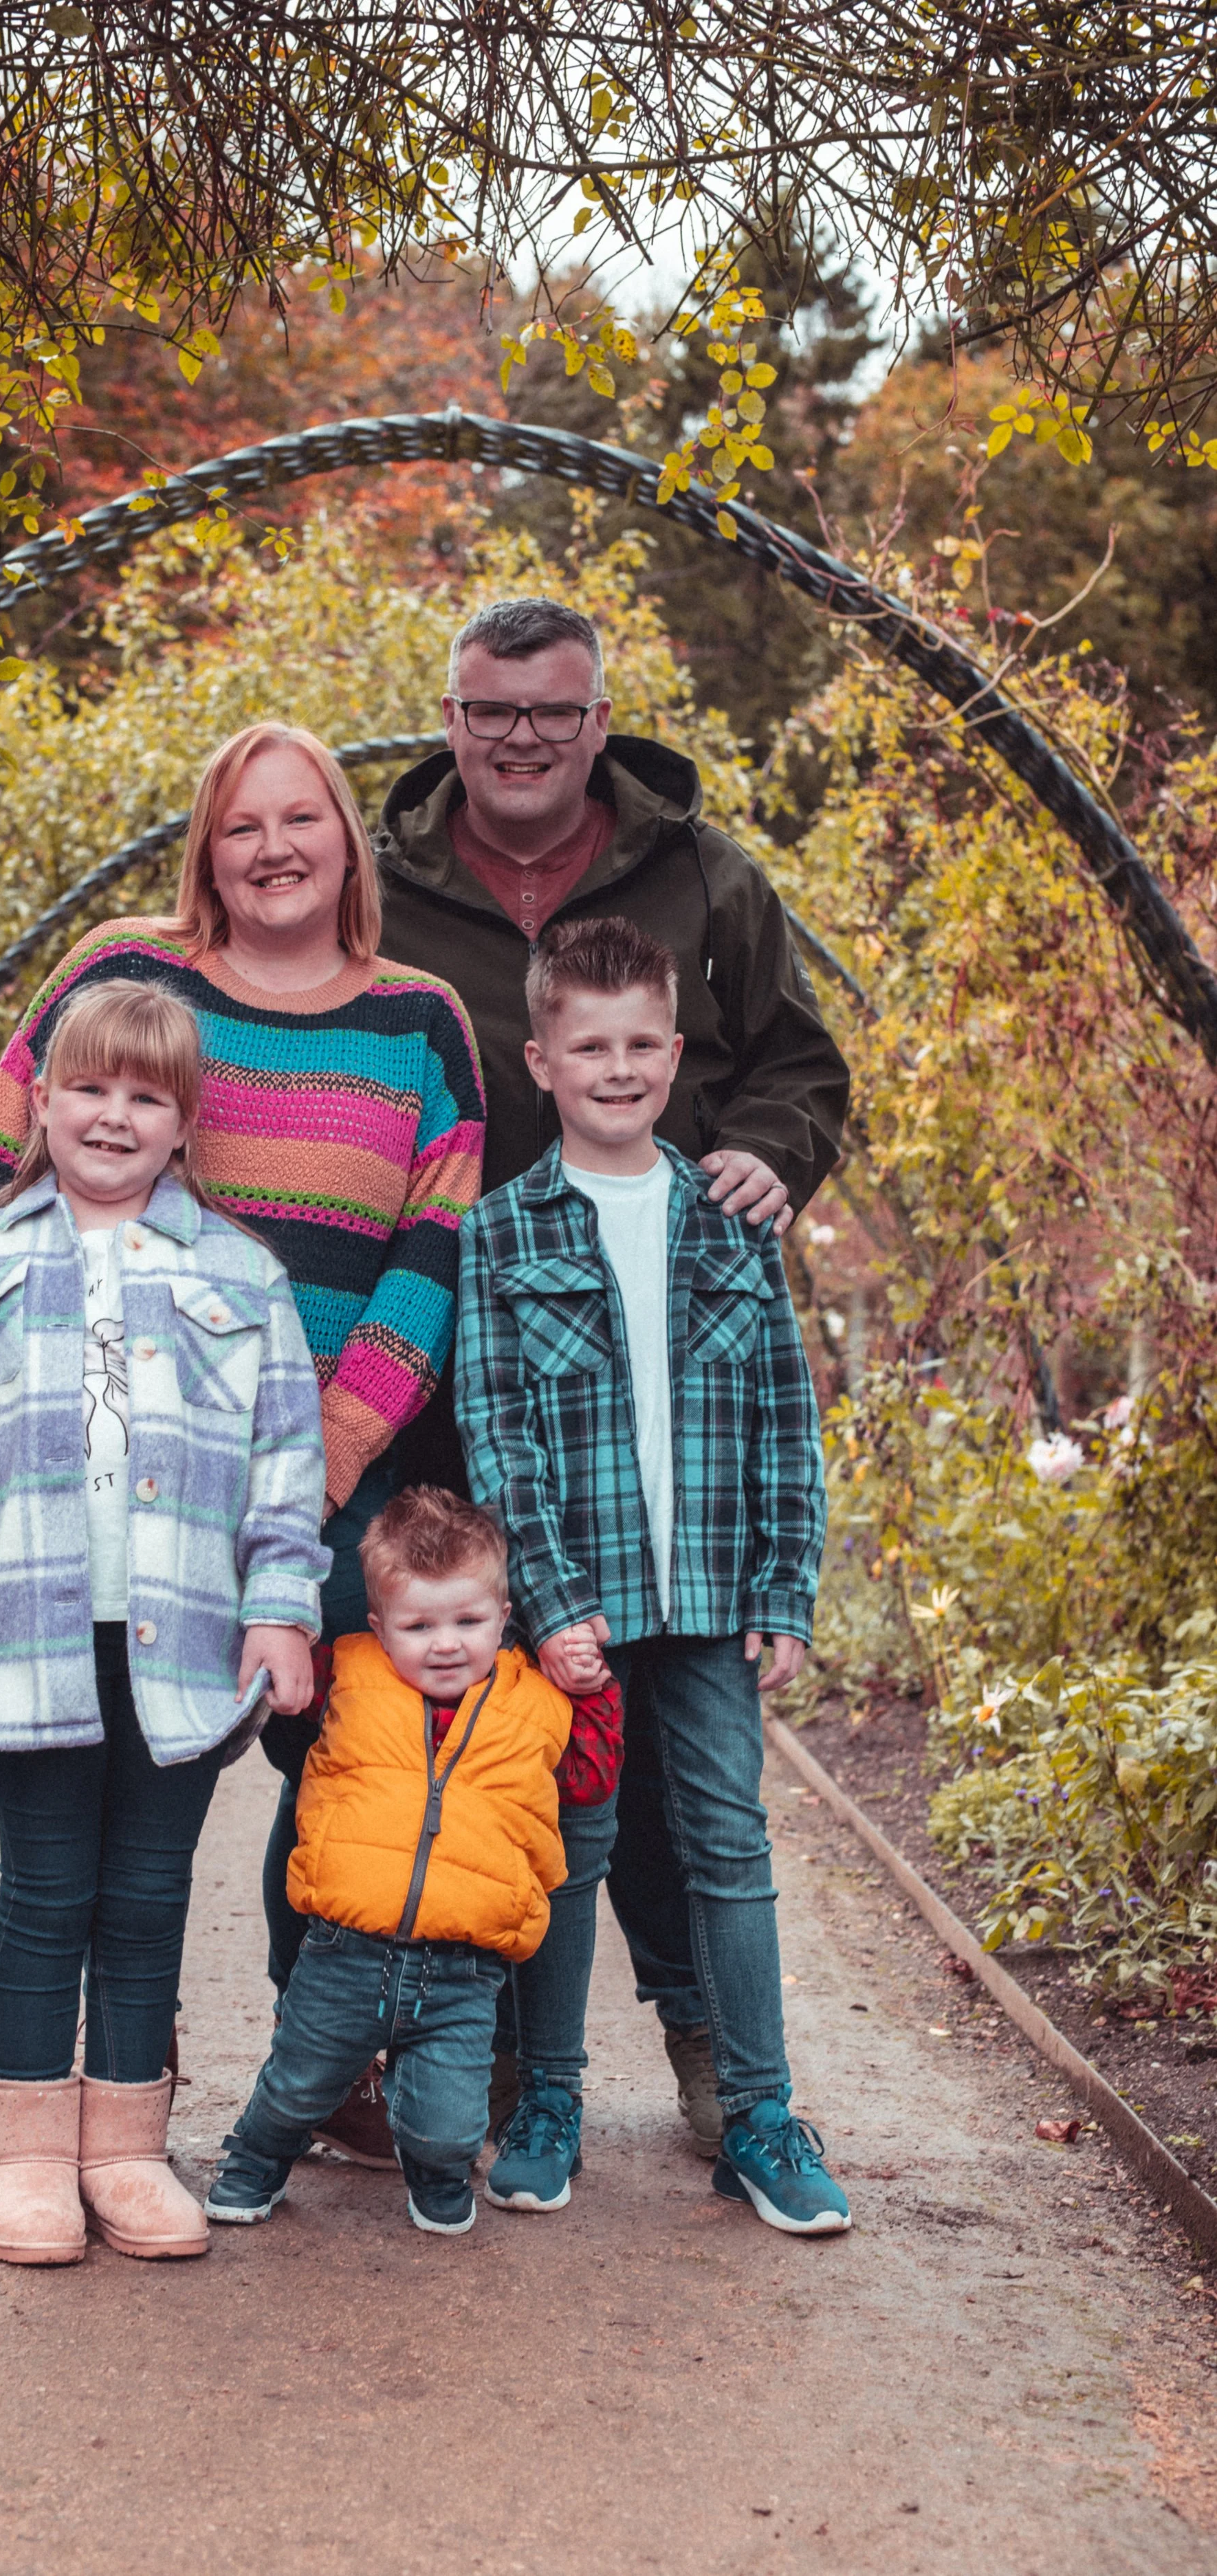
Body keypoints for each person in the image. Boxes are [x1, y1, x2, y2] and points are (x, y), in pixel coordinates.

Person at [0, 722, 486, 2162]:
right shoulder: (121, 971)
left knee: (335, 1739)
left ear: (348, 839)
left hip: (304, 1461)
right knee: (115, 1808)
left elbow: (429, 1248)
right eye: (239, 825)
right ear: (204, 849)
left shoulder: (418, 1019)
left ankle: (322, 2051)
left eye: (302, 820)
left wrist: (336, 1451)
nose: (273, 848)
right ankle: (74, 2126)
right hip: (100, 1454)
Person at [379, 594, 851, 2160]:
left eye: (553, 713)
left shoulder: (701, 879)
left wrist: (766, 1158)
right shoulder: (386, 890)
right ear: (449, 716)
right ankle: (422, 2048)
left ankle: (708, 2049)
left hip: (645, 1365)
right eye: (491, 710)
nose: (521, 738)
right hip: (440, 1367)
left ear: (599, 719)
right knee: (434, 1718)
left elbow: (798, 1064)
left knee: (648, 1755)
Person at [0, 979, 331, 2267]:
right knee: (45, 1888)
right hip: (26, 1640)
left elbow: (289, 1463)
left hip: (181, 1643)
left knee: (144, 1893)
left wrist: (283, 1609)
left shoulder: (242, 1276)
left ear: (184, 1123)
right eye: (90, 1089)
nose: (113, 1116)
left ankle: (124, 2148)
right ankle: (24, 2158)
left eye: (145, 1097)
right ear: (47, 1102)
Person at [455, 918, 851, 2234]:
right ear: (543, 1059)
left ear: (677, 1056)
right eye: (590, 1046)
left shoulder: (732, 1216)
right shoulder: (505, 1232)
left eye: (641, 1044)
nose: (617, 1068)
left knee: (730, 1849)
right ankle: (549, 2100)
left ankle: (761, 2115)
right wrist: (555, 1603)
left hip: (715, 1606)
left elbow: (785, 1414)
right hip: (586, 1605)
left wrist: (785, 1588)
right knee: (572, 1848)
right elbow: (499, 1434)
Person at [205, 1487, 622, 2236]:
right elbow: (287, 1713)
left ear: (503, 1618)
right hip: (343, 1951)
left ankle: (433, 2168)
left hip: (465, 1970)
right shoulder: (349, 1676)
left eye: (467, 1621)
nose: (444, 1643)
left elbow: (590, 1777)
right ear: (378, 1626)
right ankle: (255, 2159)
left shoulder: (536, 1701)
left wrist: (593, 1693)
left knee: (449, 2120)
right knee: (297, 2082)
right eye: (418, 1624)